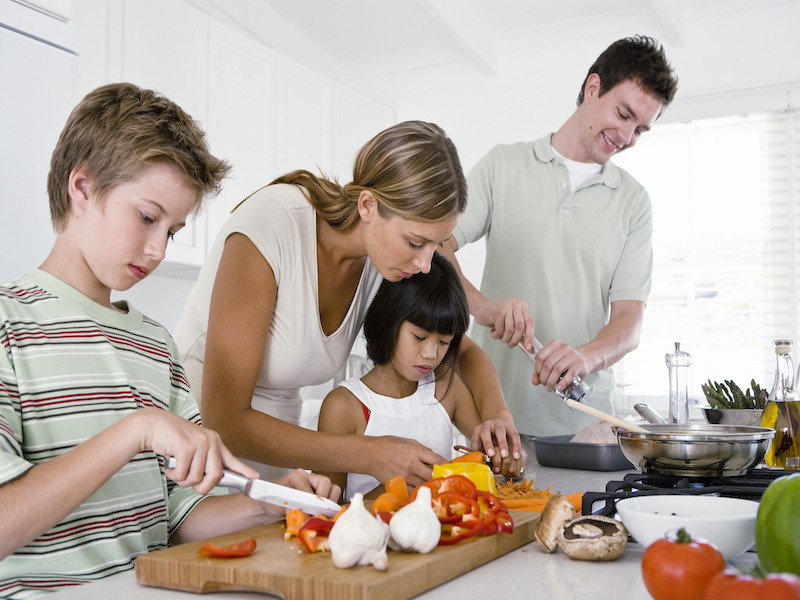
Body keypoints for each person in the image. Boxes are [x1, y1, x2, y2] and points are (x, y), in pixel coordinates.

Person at [0, 83, 339, 598]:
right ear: (83, 187)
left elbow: (178, 518)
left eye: (173, 230)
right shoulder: (9, 324)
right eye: (146, 217)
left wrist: (267, 503)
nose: (158, 249)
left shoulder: (156, 345)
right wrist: (137, 429)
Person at [174, 121, 522, 487]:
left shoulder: (388, 261)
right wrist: (368, 452)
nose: (426, 263)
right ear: (369, 205)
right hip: (196, 457)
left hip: (278, 461)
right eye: (417, 243)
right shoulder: (272, 226)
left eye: (438, 245)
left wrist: (496, 415)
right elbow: (224, 420)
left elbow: (461, 350)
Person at [439, 35, 679, 436]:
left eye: (639, 129)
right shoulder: (503, 165)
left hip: (584, 427)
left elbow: (628, 321)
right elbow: (436, 243)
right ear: (592, 88)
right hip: (492, 415)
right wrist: (479, 307)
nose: (625, 136)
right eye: (623, 114)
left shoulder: (634, 202)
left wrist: (584, 358)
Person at [317, 252, 525, 500]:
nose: (431, 354)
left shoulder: (445, 389)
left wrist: (512, 460)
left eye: (444, 342)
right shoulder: (344, 407)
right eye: (419, 337)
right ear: (387, 321)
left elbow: (496, 455)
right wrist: (394, 491)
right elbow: (324, 508)